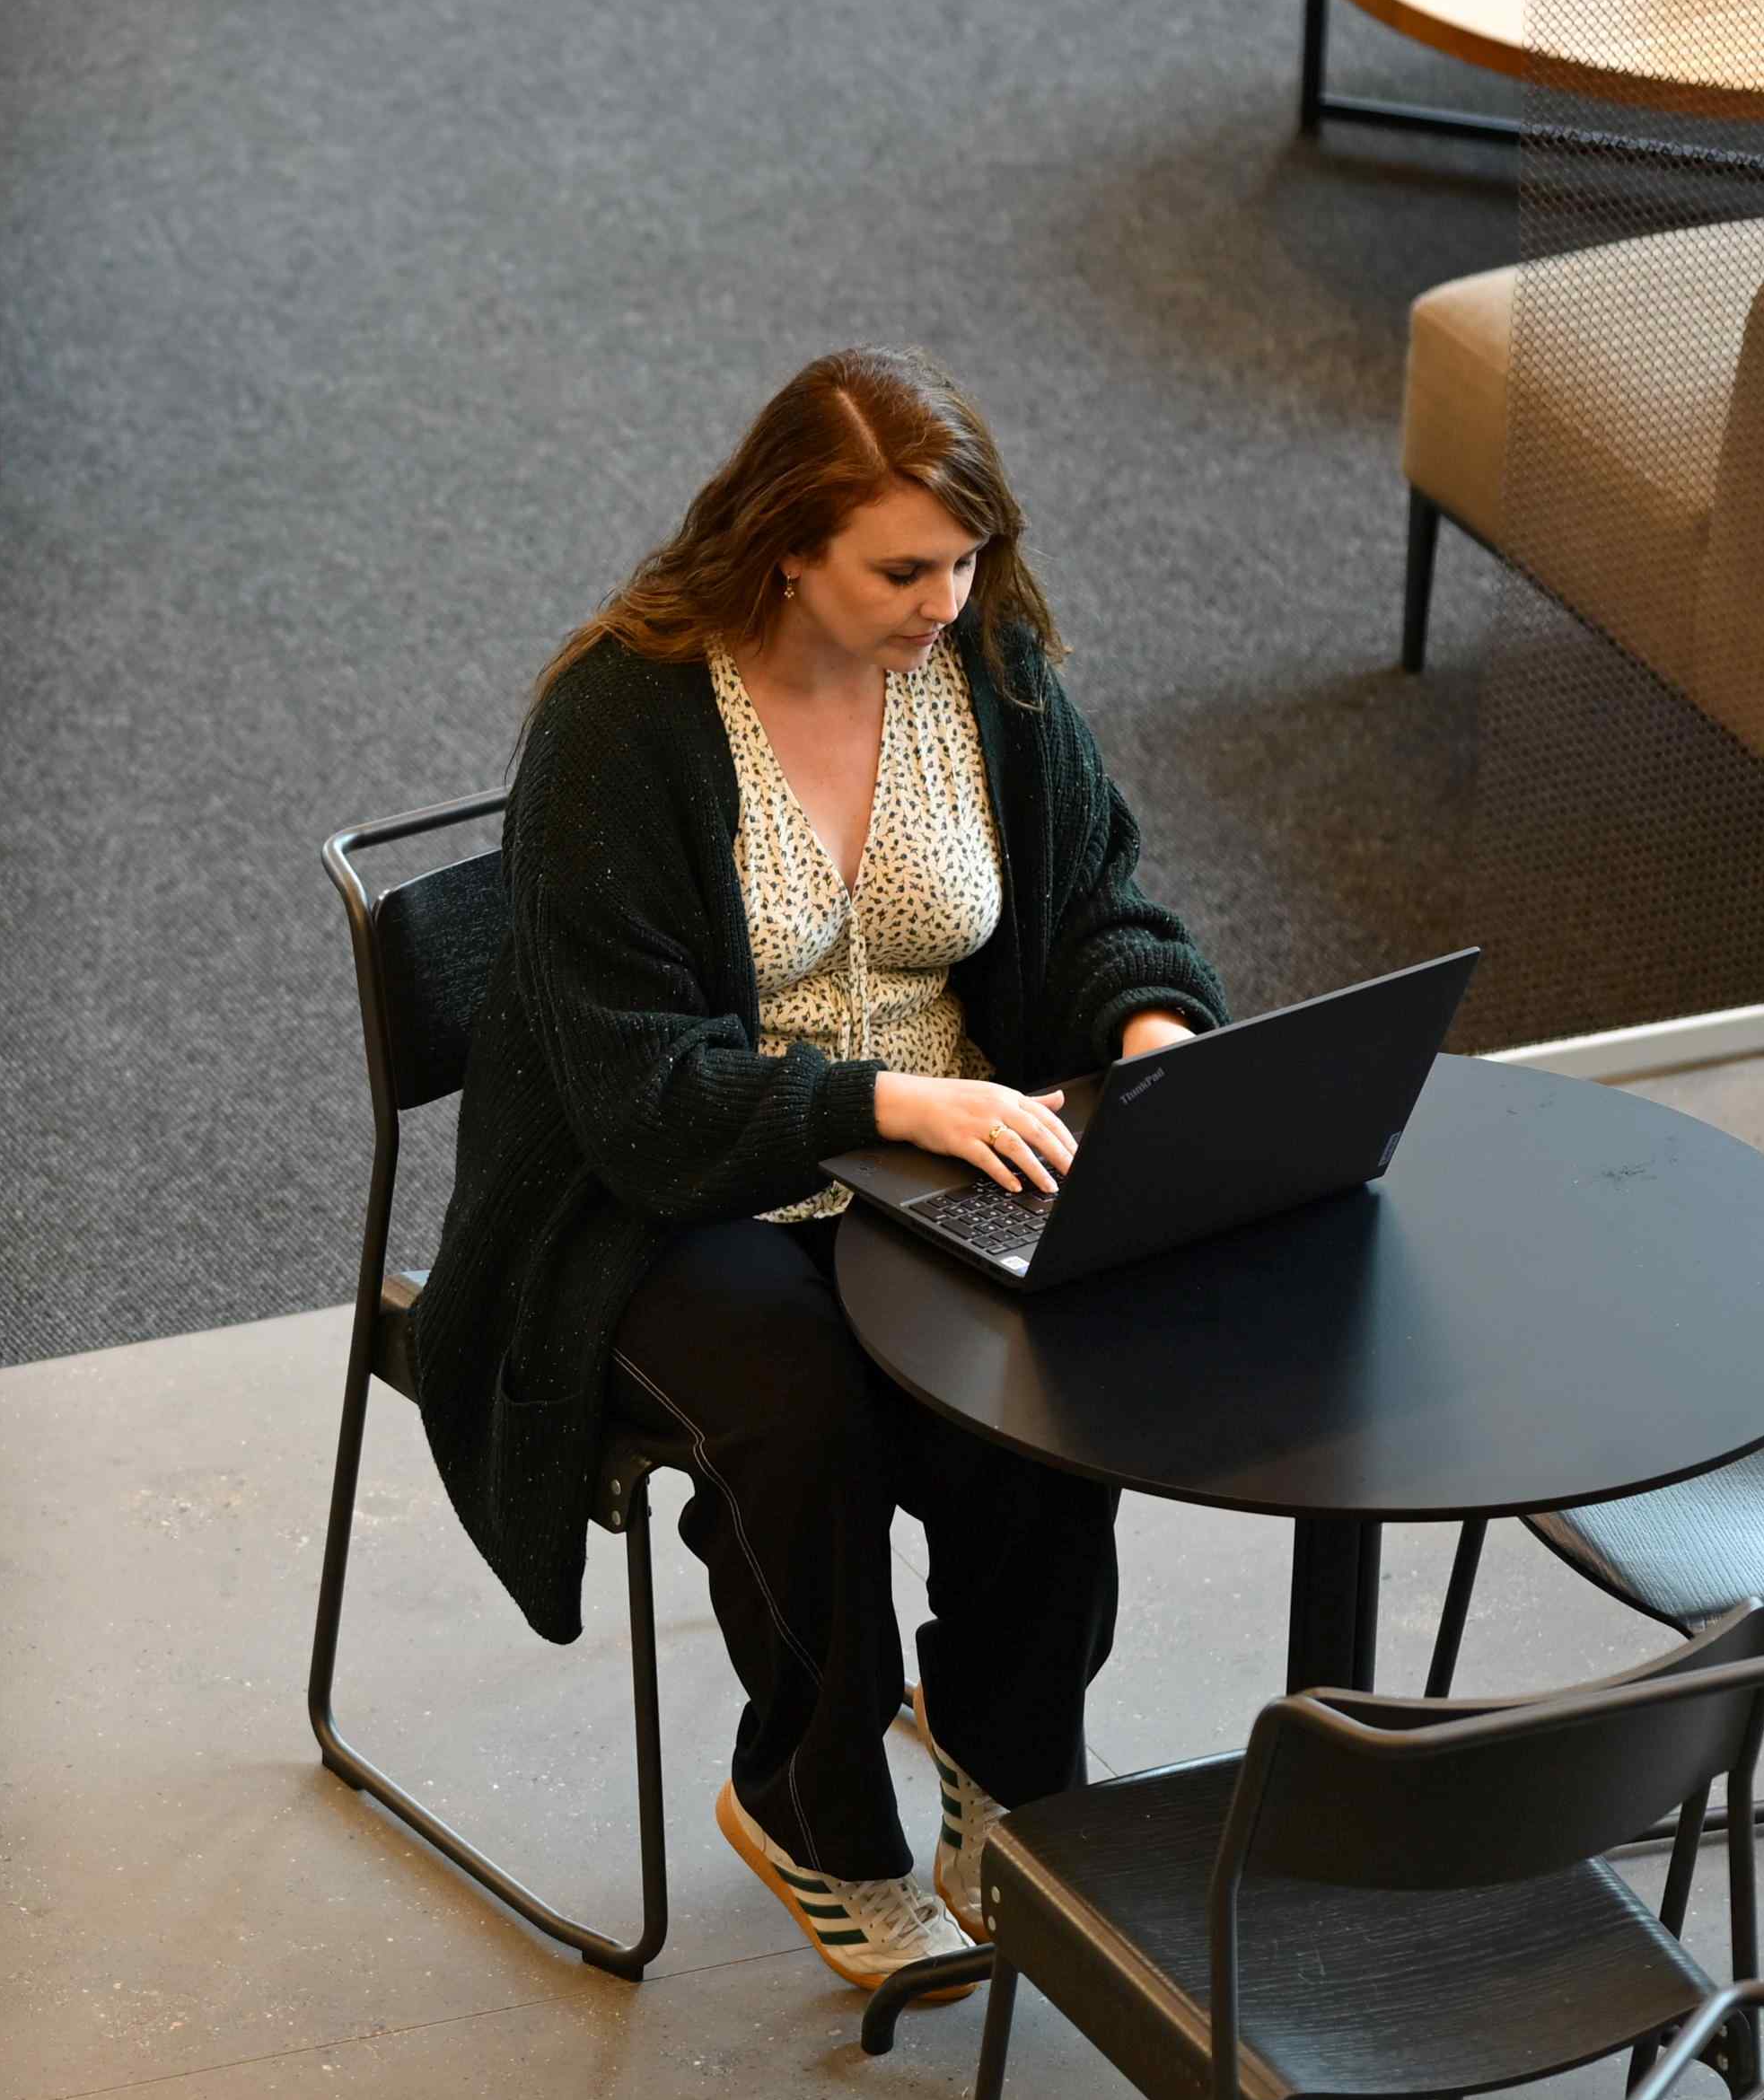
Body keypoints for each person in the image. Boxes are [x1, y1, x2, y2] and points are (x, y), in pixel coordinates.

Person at [406, 350, 1224, 1990]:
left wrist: (1148, 1029)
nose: (947, 598)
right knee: (803, 1402)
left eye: (965, 560)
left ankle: (1009, 1767)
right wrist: (895, 1109)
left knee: (1053, 1380)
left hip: (939, 1143)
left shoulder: (984, 667)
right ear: (788, 547)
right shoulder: (621, 722)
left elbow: (1099, 904)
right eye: (902, 570)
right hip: (652, 1193)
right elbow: (639, 1094)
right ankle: (808, 1800)